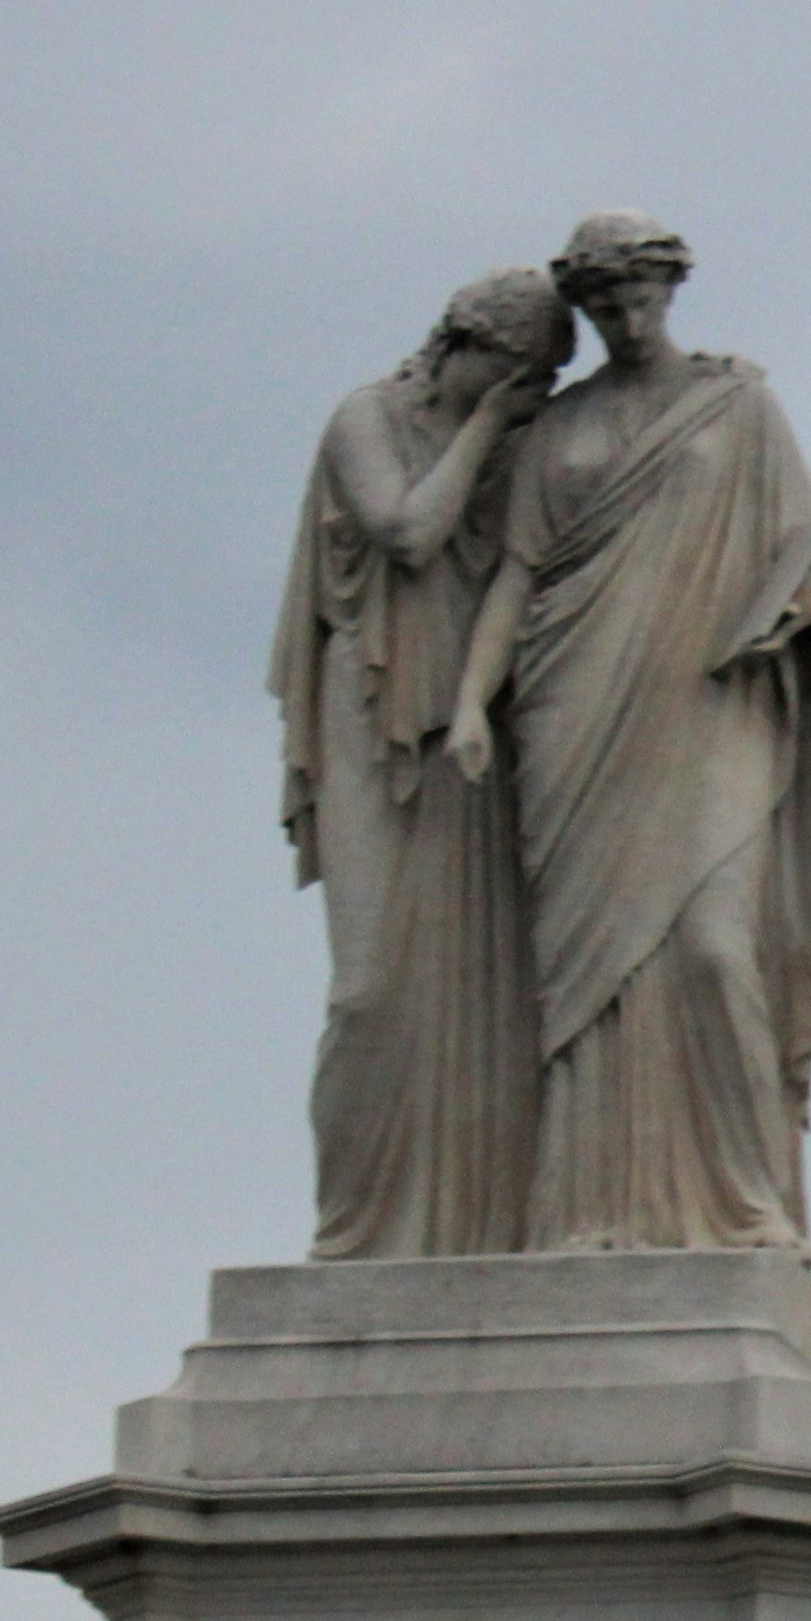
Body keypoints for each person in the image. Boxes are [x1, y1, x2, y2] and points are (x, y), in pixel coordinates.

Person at [456, 214, 811, 1251]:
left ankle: (748, 1204)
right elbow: (517, 575)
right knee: (583, 975)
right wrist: (472, 701)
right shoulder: (557, 431)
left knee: (710, 947)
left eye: (636, 296)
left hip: (711, 699)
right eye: (601, 303)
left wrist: (792, 611)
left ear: (669, 290)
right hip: (573, 703)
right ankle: (585, 1212)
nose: (620, 316)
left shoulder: (739, 411)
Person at [273, 268, 568, 1257]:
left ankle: (467, 1232)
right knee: (368, 992)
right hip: (368, 713)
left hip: (470, 729)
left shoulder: (523, 449)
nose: (520, 390)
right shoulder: (367, 417)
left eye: (537, 378)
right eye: (510, 368)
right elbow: (408, 533)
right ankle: (352, 1231)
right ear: (460, 343)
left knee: (479, 995)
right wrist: (488, 427)